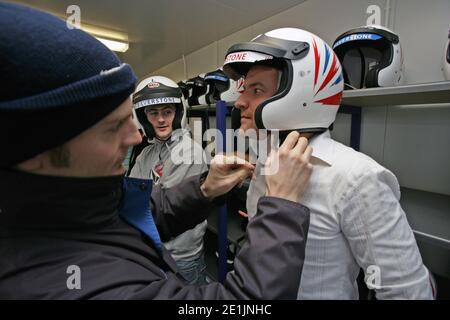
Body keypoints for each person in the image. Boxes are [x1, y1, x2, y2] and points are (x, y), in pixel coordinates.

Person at [0, 3, 312, 299]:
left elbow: (135, 213)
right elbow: (246, 303)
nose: (136, 136)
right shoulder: (67, 285)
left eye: (129, 119)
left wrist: (204, 189)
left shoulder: (66, 203)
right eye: (112, 127)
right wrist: (282, 206)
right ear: (38, 155)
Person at [223, 27, 435, 300]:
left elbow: (407, 293)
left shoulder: (356, 177)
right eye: (244, 89)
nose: (240, 101)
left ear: (301, 93)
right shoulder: (266, 163)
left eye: (256, 89)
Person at [130, 76, 208, 285]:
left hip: (181, 257)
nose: (161, 119)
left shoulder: (190, 152)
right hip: (151, 252)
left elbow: (166, 208)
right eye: (153, 113)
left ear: (177, 113)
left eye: (167, 112)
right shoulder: (146, 154)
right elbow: (131, 199)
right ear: (144, 117)